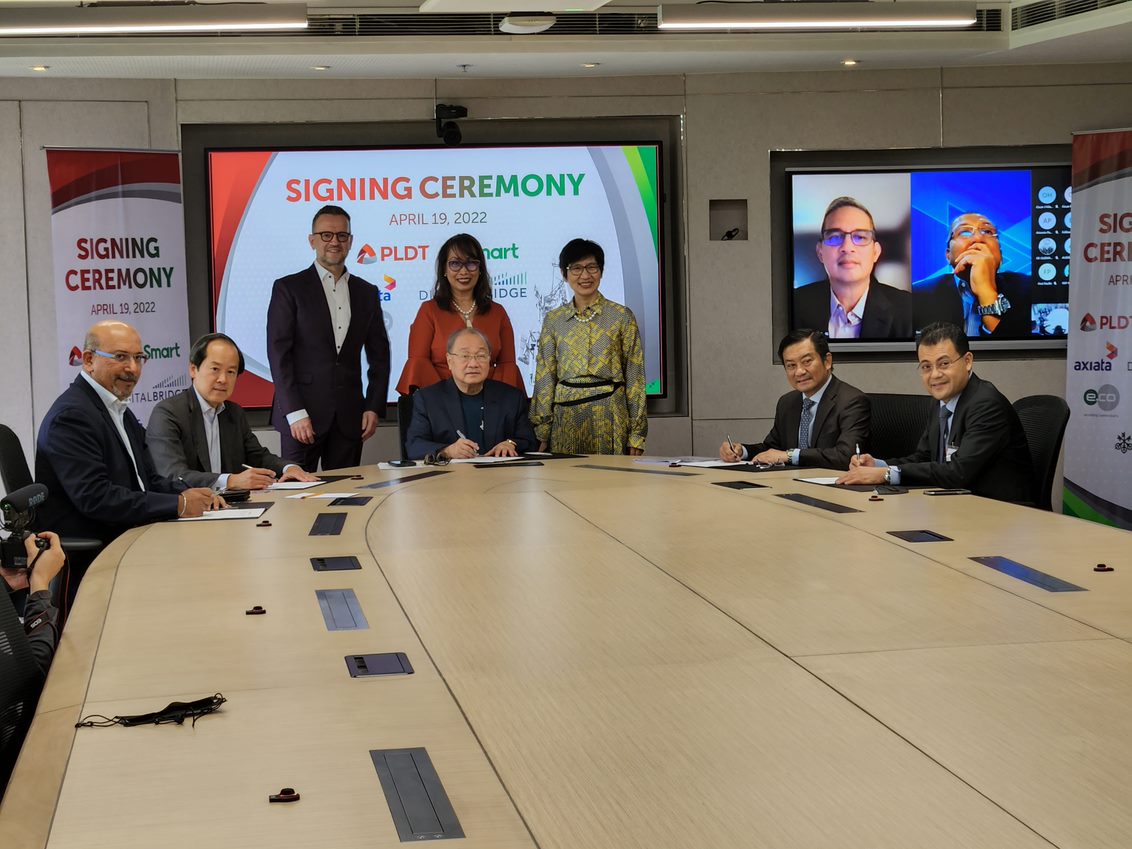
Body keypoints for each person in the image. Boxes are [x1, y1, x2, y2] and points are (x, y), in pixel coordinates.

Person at [35, 321, 221, 547]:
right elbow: (97, 498)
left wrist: (194, 494)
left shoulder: (117, 408)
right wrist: (178, 504)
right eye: (121, 357)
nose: (133, 368)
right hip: (96, 551)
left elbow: (148, 480)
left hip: (130, 534)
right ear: (88, 360)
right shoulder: (71, 417)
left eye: (139, 358)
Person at [836, 322, 1035, 503]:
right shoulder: (941, 402)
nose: (935, 375)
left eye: (944, 364)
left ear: (967, 361)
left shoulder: (986, 404)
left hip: (1001, 514)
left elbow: (958, 472)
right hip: (958, 506)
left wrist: (886, 474)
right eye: (926, 367)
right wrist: (878, 464)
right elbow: (926, 457)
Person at [266, 204, 391, 471]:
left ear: (350, 241)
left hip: (349, 418)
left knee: (345, 502)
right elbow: (279, 355)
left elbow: (380, 355)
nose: (334, 241)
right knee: (296, 500)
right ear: (312, 240)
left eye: (341, 235)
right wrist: (294, 412)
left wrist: (373, 407)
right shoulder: (289, 288)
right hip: (301, 417)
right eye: (326, 235)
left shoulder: (366, 292)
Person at [148, 333, 321, 490]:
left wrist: (289, 468)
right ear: (193, 369)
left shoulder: (234, 413)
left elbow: (257, 456)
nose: (223, 379)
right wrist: (231, 481)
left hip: (230, 508)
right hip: (185, 513)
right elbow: (172, 475)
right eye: (215, 369)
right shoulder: (168, 413)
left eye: (231, 372)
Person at [530, 238, 647, 455]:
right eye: (576, 268)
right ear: (565, 275)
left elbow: (635, 376)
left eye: (591, 267)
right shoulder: (553, 320)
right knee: (565, 484)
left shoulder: (621, 317)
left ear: (601, 271)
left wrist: (637, 436)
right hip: (565, 418)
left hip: (610, 414)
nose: (585, 275)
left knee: (611, 483)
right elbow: (545, 375)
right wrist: (542, 430)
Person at [719, 329, 870, 470]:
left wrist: (790, 455)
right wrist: (741, 451)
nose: (799, 371)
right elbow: (772, 448)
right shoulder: (787, 402)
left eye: (807, 362)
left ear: (827, 361)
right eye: (791, 365)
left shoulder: (852, 401)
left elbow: (846, 456)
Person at [396, 233, 525, 395]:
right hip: (440, 403)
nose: (464, 271)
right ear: (444, 269)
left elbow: (507, 366)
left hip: (491, 401)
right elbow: (418, 365)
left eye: (471, 263)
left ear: (480, 269)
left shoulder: (498, 312)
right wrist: (448, 400)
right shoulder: (429, 310)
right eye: (455, 264)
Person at [405, 328, 537, 460]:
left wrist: (510, 444)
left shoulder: (511, 397)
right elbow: (414, 446)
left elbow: (529, 441)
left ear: (489, 359)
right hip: (449, 477)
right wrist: (447, 451)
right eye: (465, 356)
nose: (473, 364)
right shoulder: (428, 399)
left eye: (480, 356)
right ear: (449, 361)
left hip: (499, 475)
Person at [793, 197, 912, 339]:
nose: (847, 248)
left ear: (875, 252)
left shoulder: (908, 309)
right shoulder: (794, 305)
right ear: (820, 252)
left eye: (860, 237)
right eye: (835, 237)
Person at [912, 212, 1032, 337]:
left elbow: (1016, 353)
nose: (978, 238)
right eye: (964, 232)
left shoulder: (1029, 289)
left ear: (1000, 256)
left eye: (988, 231)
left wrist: (986, 291)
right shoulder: (917, 294)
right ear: (948, 255)